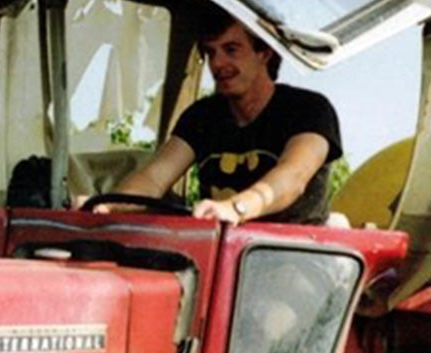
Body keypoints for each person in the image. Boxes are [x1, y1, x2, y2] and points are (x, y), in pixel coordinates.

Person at [97, 13, 342, 225]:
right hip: (221, 250)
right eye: (210, 52)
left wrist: (237, 208)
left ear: (264, 52)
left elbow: (293, 178)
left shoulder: (308, 110)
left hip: (295, 256)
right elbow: (155, 177)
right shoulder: (202, 116)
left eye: (231, 50)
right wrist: (108, 206)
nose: (217, 63)